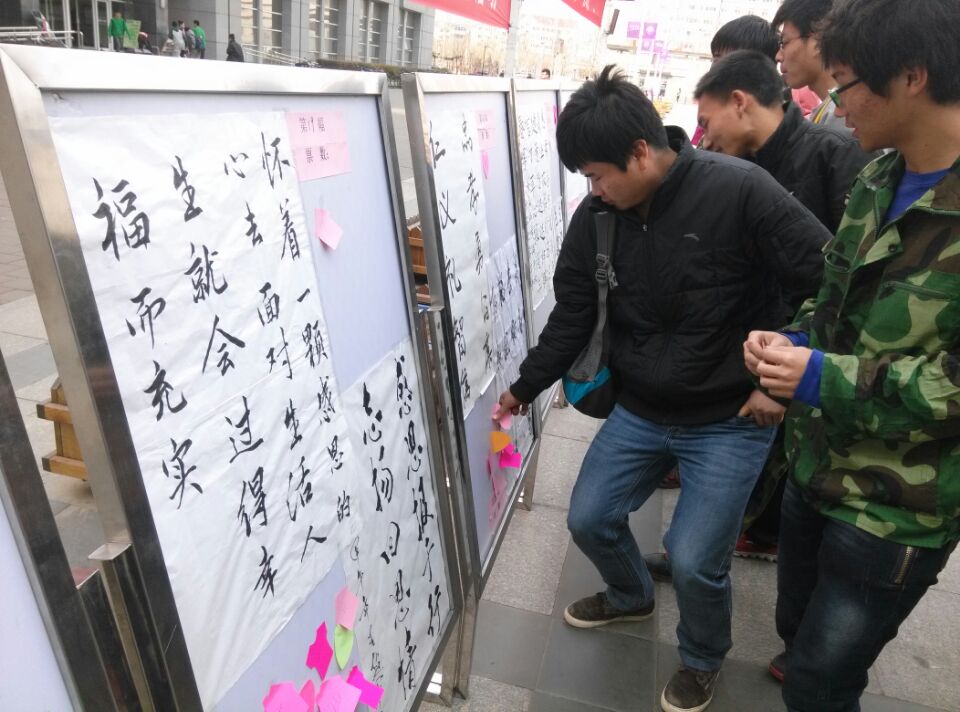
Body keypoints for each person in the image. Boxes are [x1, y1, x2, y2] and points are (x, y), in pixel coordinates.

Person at [495, 65, 830, 712]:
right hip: (643, 407)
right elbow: (573, 314)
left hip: (731, 414)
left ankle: (702, 658)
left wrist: (782, 379)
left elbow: (830, 282)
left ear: (641, 151)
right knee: (589, 517)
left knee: (696, 556)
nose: (593, 189)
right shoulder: (599, 218)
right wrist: (524, 387)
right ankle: (630, 595)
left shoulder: (741, 190)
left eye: (598, 174)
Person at [744, 0, 960, 709]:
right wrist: (795, 341)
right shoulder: (877, 177)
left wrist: (819, 377)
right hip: (814, 468)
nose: (833, 104)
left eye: (844, 84)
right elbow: (833, 297)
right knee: (795, 630)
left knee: (823, 679)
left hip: (898, 509)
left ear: (912, 76)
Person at [772, 0, 849, 131]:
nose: (778, 56)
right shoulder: (828, 109)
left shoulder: (842, 118)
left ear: (818, 41)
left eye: (784, 43)